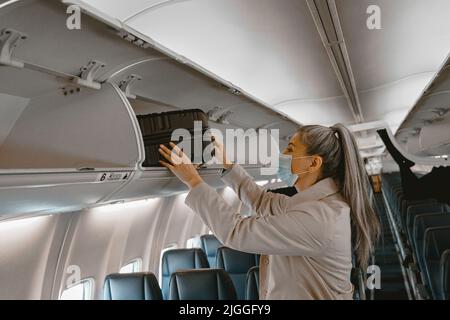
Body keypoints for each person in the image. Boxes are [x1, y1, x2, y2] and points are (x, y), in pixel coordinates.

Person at [159, 124, 380, 300]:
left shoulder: (320, 218)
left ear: (313, 163)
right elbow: (263, 202)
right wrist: (226, 164)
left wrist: (193, 180)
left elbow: (237, 232)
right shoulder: (313, 205)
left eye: (290, 149)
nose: (282, 154)